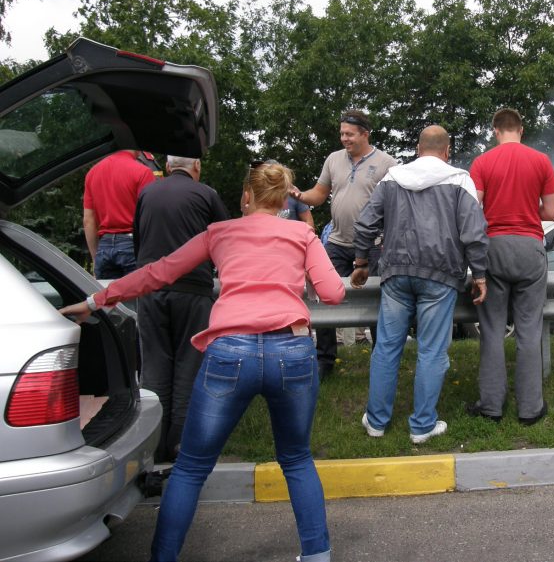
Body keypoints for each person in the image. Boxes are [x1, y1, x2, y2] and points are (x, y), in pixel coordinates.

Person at [61, 161, 344, 562]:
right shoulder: (301, 233)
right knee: (296, 459)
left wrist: (96, 301)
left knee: (192, 467)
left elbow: (158, 272)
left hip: (229, 351)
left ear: (245, 197)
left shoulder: (220, 232)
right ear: (283, 200)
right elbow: (332, 293)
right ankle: (317, 556)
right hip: (292, 352)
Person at [351, 125, 488, 443]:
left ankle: (376, 421)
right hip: (440, 276)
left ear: (417, 148)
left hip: (397, 273)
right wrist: (479, 274)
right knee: (431, 351)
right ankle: (422, 426)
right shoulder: (459, 179)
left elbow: (366, 222)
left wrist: (360, 262)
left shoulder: (392, 178)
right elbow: (473, 234)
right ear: (447, 150)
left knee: (386, 348)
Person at [133, 155, 229, 463]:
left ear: (168, 165)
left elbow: (139, 241)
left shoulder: (147, 192)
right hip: (192, 291)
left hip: (150, 291)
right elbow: (224, 240)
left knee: (155, 366)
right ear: (196, 167)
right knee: (189, 367)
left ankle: (152, 443)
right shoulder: (206, 194)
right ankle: (181, 445)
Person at [467, 108, 554, 426]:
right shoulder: (541, 161)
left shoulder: (481, 163)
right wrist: (527, 207)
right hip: (530, 249)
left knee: (492, 330)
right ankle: (530, 408)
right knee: (529, 330)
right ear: (521, 129)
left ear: (495, 131)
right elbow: (553, 212)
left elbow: (472, 208)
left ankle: (491, 406)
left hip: (494, 248)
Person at [294, 109, 397, 378]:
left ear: (365, 133)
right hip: (336, 242)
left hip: (374, 244)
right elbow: (319, 194)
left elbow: (396, 206)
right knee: (323, 296)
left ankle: (380, 360)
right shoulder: (333, 159)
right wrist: (300, 195)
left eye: (349, 134)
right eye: (341, 133)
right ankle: (325, 360)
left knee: (377, 300)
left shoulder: (388, 163)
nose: (344, 138)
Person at [83, 149, 158, 278]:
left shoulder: (93, 172)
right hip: (133, 245)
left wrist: (95, 258)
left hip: (104, 246)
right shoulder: (143, 172)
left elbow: (88, 221)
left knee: (108, 296)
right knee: (136, 296)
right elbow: (151, 217)